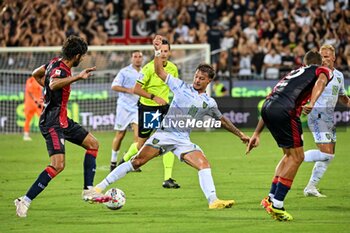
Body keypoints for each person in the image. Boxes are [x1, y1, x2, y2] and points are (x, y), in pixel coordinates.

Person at [87, 35, 250, 209]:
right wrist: (157, 51)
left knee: (204, 164)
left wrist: (240, 134)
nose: (197, 80)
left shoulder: (209, 103)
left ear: (209, 81)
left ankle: (213, 201)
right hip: (165, 134)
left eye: (201, 79)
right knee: (137, 162)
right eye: (196, 76)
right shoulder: (180, 86)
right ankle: (98, 188)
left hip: (182, 141)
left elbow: (222, 120)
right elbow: (159, 72)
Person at [14, 36, 104, 218]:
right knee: (58, 165)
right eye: (83, 56)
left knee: (93, 144)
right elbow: (54, 84)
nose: (83, 59)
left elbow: (35, 74)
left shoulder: (54, 62)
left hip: (63, 120)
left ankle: (88, 190)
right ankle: (24, 200)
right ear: (77, 56)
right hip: (51, 122)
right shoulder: (62, 71)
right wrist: (77, 77)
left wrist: (46, 90)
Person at [247, 50, 333, 221]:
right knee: (297, 157)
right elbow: (321, 82)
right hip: (286, 110)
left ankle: (271, 198)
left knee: (288, 156)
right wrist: (312, 102)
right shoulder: (322, 70)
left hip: (268, 107)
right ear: (319, 63)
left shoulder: (293, 74)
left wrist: (256, 133)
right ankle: (277, 204)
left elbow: (269, 100)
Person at [120, 38, 180, 188]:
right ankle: (125, 158)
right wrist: (154, 97)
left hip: (164, 108)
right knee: (141, 145)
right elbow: (136, 89)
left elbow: (175, 88)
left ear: (169, 52)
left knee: (169, 140)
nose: (164, 54)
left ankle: (168, 178)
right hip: (148, 108)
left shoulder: (173, 68)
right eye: (162, 51)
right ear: (158, 52)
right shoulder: (148, 69)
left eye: (166, 51)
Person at [303, 45, 350, 197]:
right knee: (326, 153)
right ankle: (296, 156)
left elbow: (342, 97)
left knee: (329, 155)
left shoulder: (339, 76)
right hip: (317, 114)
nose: (324, 59)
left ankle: (311, 186)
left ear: (334, 58)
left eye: (327, 56)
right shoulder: (315, 74)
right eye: (322, 56)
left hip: (329, 118)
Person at [110, 51, 143, 172]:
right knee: (120, 135)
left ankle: (132, 161)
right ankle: (113, 162)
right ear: (131, 58)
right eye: (135, 56)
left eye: (140, 57)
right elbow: (114, 86)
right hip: (124, 107)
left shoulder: (145, 71)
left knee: (138, 137)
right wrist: (128, 90)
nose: (138, 59)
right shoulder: (124, 72)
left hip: (137, 108)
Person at [23, 76, 43, 141]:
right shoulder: (31, 80)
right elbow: (29, 91)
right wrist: (35, 99)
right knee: (28, 119)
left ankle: (47, 133)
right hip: (30, 104)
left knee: (43, 118)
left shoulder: (40, 80)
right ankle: (26, 135)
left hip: (38, 104)